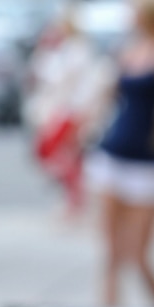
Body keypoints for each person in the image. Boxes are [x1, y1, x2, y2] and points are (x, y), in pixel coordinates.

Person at [84, 0, 154, 307]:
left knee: (139, 255)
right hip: (115, 152)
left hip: (151, 160)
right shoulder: (126, 50)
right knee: (112, 255)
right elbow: (107, 95)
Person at [24, 11, 113, 218]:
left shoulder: (78, 50)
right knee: (59, 154)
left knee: (61, 152)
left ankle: (75, 199)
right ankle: (74, 196)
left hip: (70, 109)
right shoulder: (59, 50)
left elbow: (68, 81)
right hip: (55, 109)